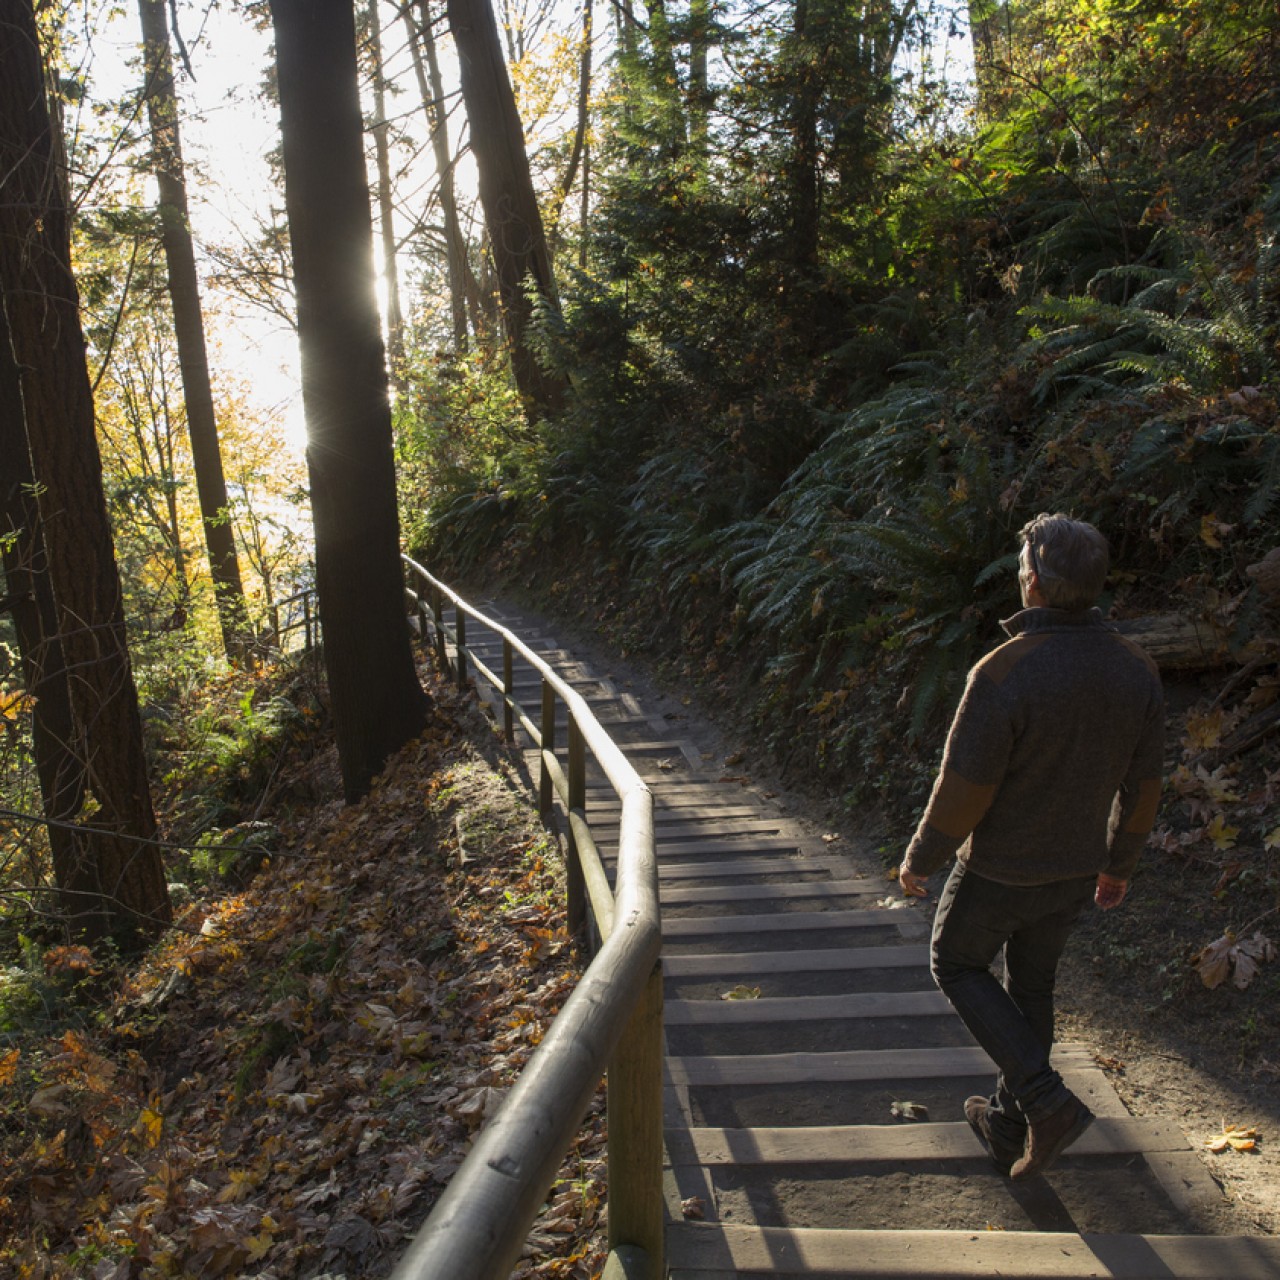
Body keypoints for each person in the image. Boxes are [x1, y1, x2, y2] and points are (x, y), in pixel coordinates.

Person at [898, 513, 1164, 1180]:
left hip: (999, 869)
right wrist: (1119, 864)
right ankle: (1008, 1124)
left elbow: (966, 786)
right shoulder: (1136, 669)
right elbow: (1147, 784)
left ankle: (1047, 1104)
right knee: (1032, 985)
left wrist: (922, 857)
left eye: (1024, 570)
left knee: (955, 962)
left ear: (1034, 585)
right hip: (1076, 868)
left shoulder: (1005, 669)